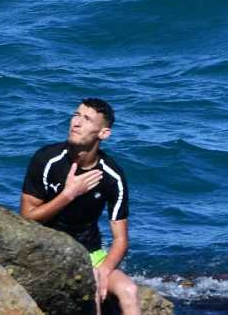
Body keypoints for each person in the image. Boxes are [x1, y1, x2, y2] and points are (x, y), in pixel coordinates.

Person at [21, 98, 140, 315]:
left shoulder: (112, 176)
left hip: (91, 253)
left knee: (129, 290)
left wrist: (105, 270)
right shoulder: (47, 159)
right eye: (76, 115)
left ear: (103, 133)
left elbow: (121, 239)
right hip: (47, 248)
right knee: (90, 283)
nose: (76, 122)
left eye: (86, 119)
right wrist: (68, 194)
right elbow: (26, 218)